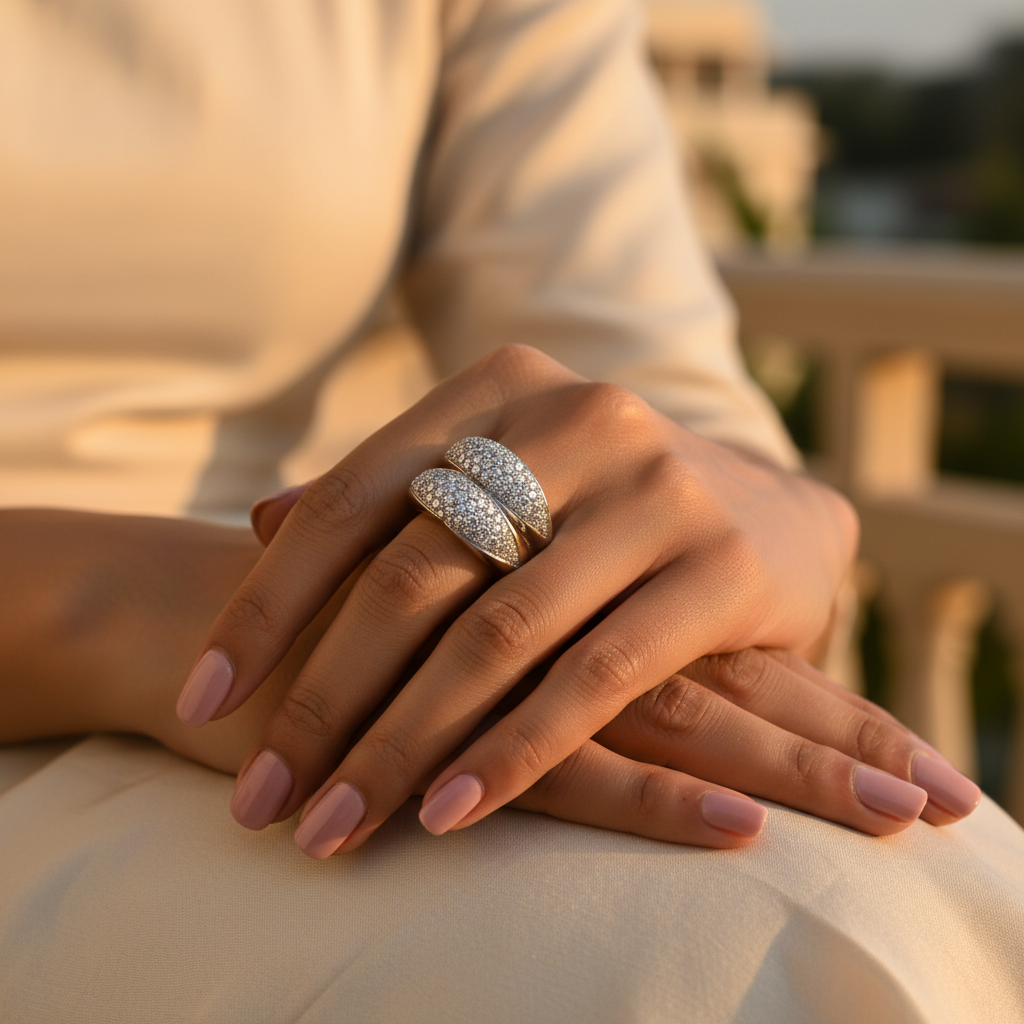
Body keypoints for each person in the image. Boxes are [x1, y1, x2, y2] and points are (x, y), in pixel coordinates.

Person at [0, 1, 1021, 1021]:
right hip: (239, 658)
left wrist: (751, 516)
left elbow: (638, 383)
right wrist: (111, 604)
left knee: (910, 894)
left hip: (341, 644)